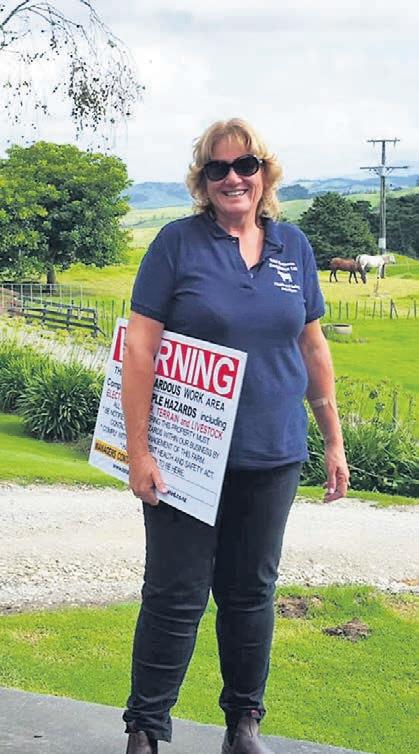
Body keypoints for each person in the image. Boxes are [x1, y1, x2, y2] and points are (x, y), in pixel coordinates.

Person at [121, 118, 349, 754]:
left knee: (251, 594)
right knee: (174, 594)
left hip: (272, 454)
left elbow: (312, 345)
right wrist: (138, 451)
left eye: (245, 165)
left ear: (264, 173)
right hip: (187, 458)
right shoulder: (177, 244)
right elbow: (140, 349)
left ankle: (243, 724)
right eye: (217, 168)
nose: (233, 178)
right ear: (202, 180)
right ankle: (145, 729)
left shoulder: (293, 247)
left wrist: (333, 440)